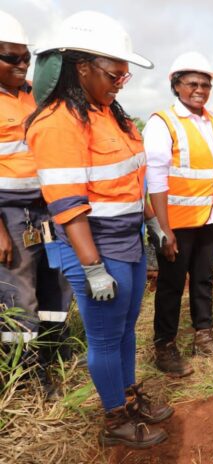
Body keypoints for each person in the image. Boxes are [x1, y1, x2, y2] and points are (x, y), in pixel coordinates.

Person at [26, 11, 171, 448]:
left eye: (124, 77)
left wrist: (152, 223)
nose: (118, 83)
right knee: (106, 338)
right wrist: (91, 267)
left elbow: (133, 177)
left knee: (125, 330)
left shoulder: (110, 114)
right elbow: (67, 205)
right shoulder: (58, 123)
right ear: (80, 67)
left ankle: (127, 397)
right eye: (113, 74)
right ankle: (115, 421)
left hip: (126, 240)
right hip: (94, 245)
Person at [144, 52, 213, 377]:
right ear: (176, 85)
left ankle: (204, 333)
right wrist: (163, 229)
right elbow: (155, 178)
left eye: (205, 84)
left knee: (203, 279)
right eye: (192, 84)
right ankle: (165, 346)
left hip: (208, 218)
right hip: (176, 223)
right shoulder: (163, 122)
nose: (199, 90)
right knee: (171, 285)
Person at [0, 10, 73, 397]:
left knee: (57, 284)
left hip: (46, 209)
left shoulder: (34, 93)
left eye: (25, 56)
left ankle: (52, 355)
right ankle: (25, 377)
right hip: (9, 212)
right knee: (18, 294)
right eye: (11, 58)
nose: (22, 64)